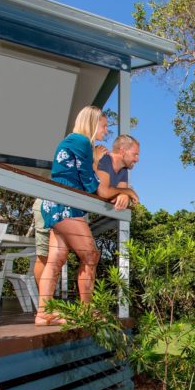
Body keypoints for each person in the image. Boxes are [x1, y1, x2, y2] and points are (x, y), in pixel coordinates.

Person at [35, 106, 133, 325]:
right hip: (66, 206)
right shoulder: (81, 143)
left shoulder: (72, 141)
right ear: (92, 123)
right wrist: (121, 189)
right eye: (104, 125)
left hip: (54, 205)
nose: (106, 131)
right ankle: (86, 311)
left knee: (56, 259)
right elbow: (91, 185)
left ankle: (43, 313)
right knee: (91, 256)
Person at [95, 134, 140, 210]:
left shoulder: (123, 169)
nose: (137, 160)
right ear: (122, 151)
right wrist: (129, 191)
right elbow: (103, 192)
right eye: (134, 154)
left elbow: (119, 192)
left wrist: (124, 195)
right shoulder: (105, 159)